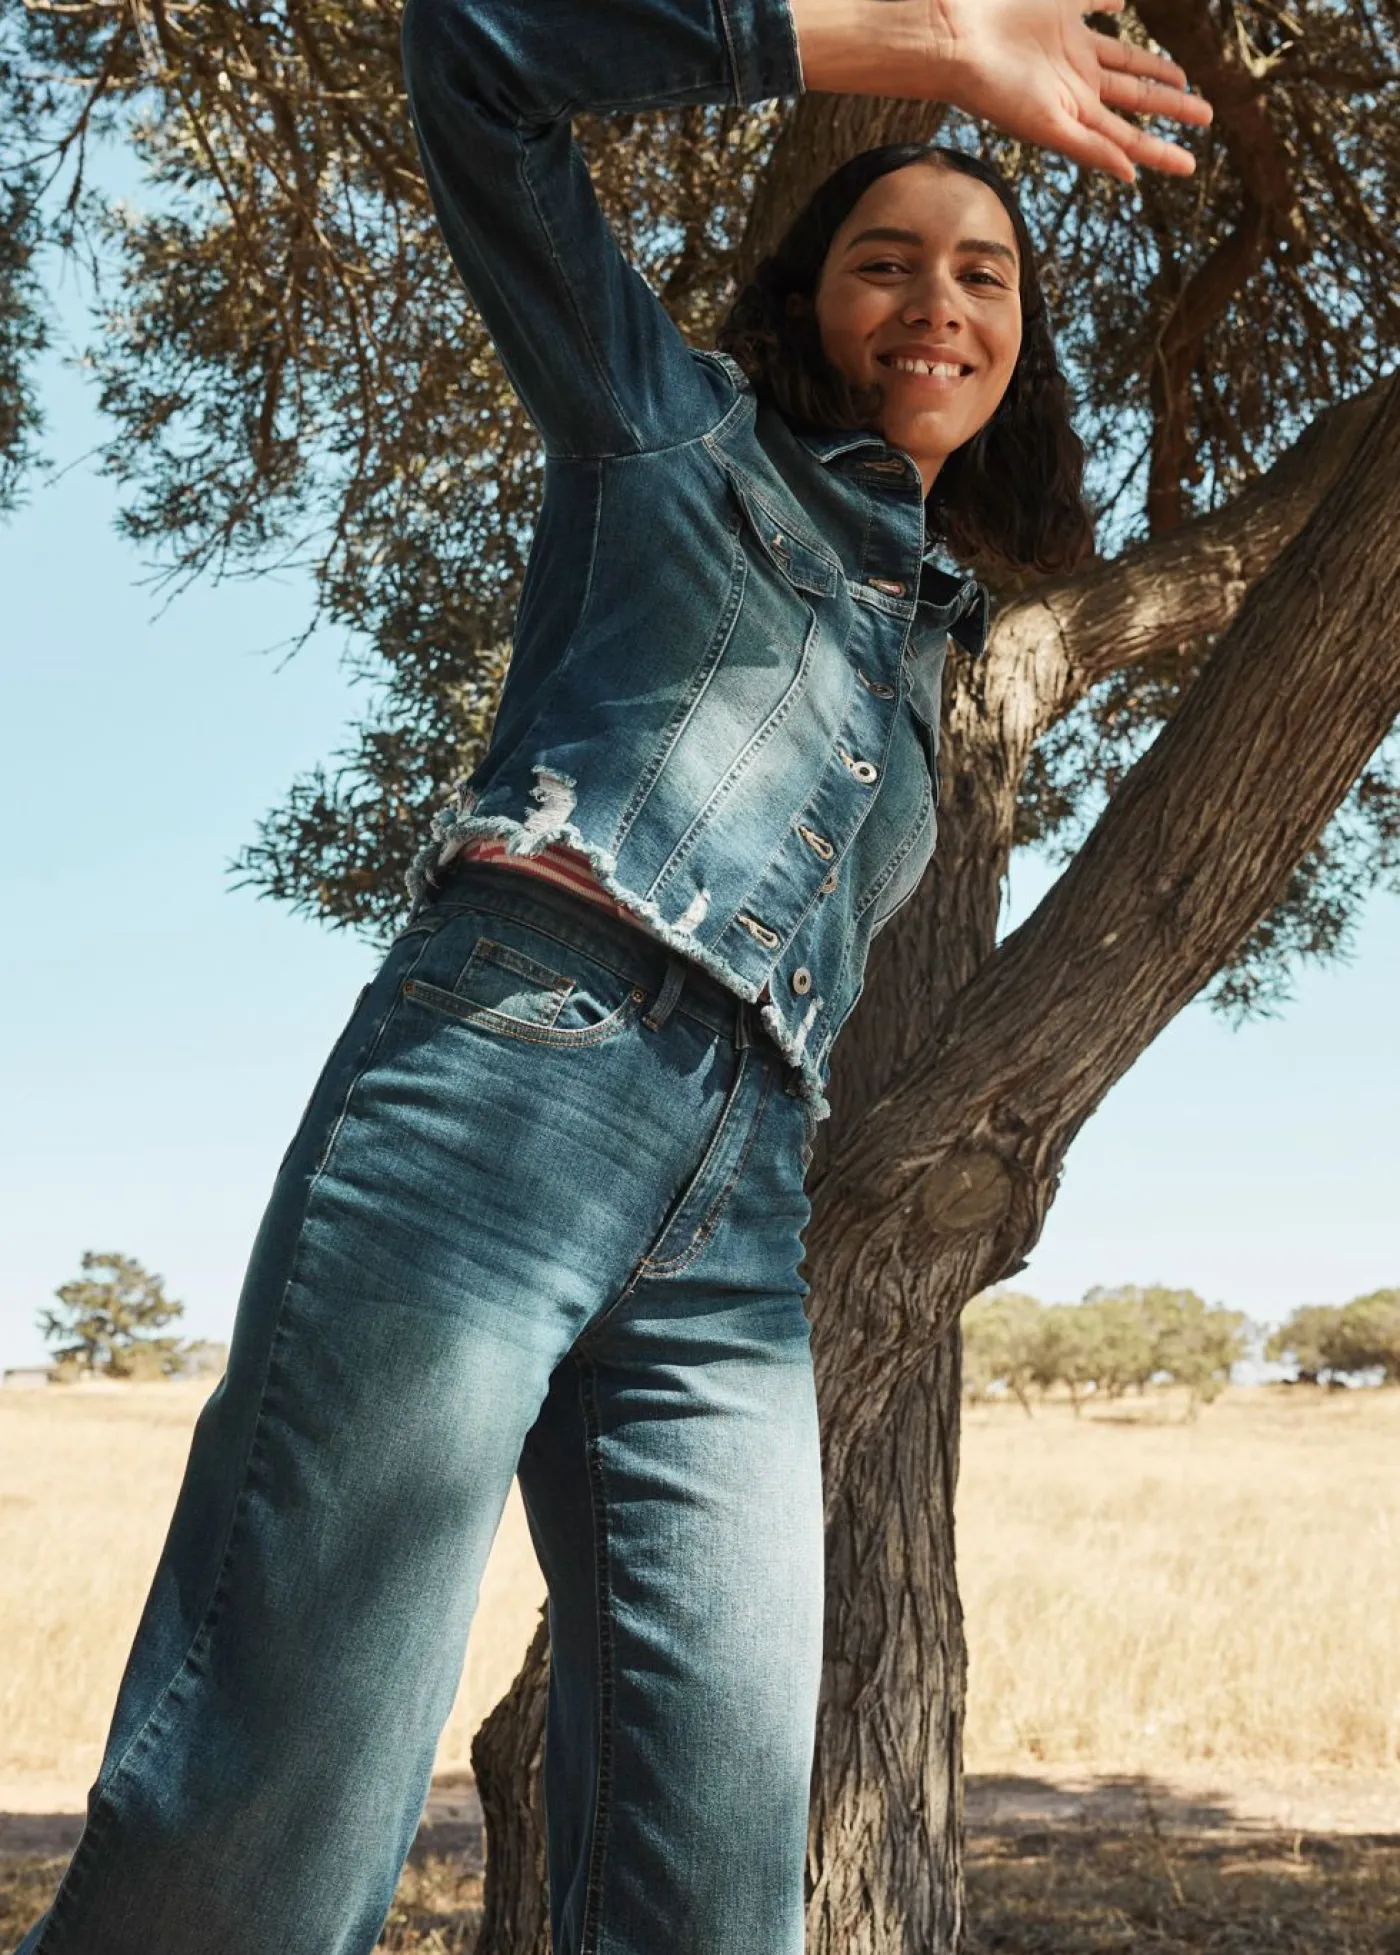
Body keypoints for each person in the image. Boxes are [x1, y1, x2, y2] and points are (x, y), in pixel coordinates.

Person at [13, 3, 1208, 1951]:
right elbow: (469, 61)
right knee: (287, 1798)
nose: (934, 297)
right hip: (519, 1061)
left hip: (741, 1194)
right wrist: (915, 44)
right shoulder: (672, 429)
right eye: (883, 255)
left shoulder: (934, 657)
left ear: (1017, 344)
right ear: (801, 296)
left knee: (718, 1873)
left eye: (981, 272)